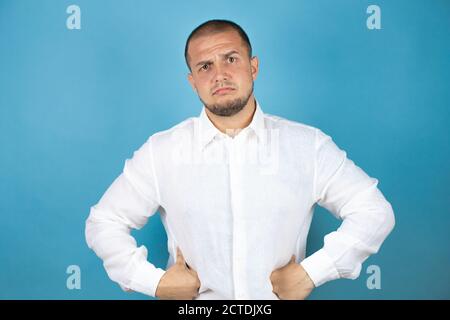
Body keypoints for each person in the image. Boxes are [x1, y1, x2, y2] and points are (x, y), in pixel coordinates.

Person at [85, 19, 395, 300]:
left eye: (230, 59)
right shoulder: (161, 151)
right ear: (193, 81)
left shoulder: (308, 146)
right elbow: (104, 223)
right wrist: (154, 282)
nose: (219, 74)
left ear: (253, 67)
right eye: (205, 66)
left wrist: (313, 273)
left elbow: (373, 211)